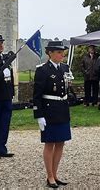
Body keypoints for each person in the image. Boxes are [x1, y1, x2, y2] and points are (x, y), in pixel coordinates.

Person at [33, 41, 71, 188]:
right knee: (50, 144)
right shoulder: (42, 70)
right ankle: (49, 176)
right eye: (59, 52)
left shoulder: (65, 68)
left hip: (62, 108)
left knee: (61, 143)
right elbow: (37, 95)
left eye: (62, 52)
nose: (62, 55)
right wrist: (39, 115)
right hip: (49, 111)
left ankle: (55, 174)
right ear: (50, 53)